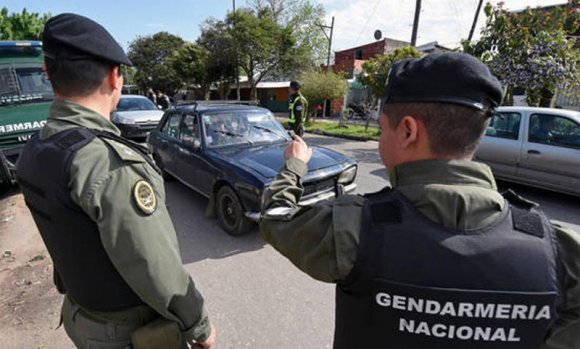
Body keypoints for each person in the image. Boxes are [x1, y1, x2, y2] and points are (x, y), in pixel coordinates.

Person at [260, 52, 580, 349]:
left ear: (408, 131)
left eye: (383, 129)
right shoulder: (560, 251)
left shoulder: (354, 229)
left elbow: (277, 215)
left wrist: (295, 163)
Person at [16, 13, 215, 349]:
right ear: (114, 77)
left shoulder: (37, 147)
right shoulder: (107, 162)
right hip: (125, 333)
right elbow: (154, 265)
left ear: (48, 74)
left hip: (83, 317)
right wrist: (199, 324)